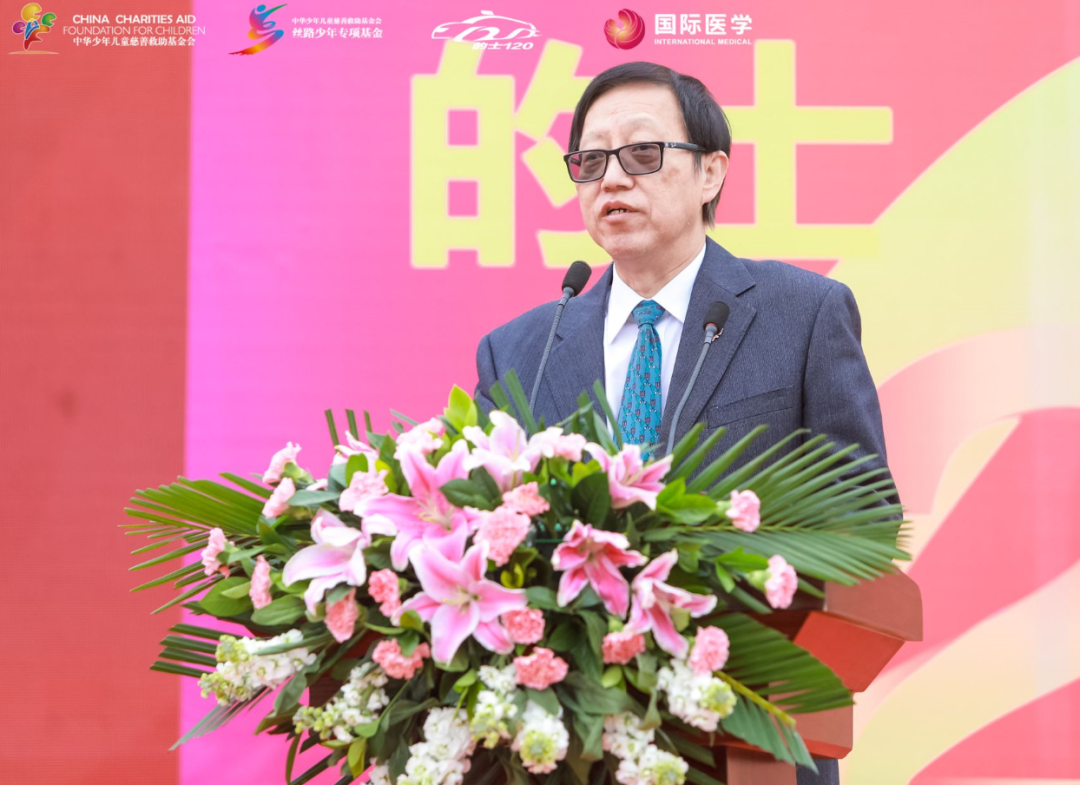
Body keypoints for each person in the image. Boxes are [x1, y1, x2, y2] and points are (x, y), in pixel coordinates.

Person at [473, 61, 894, 785]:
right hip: (567, 748)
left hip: (746, 738)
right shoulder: (521, 351)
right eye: (590, 161)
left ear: (710, 173)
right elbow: (481, 535)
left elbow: (865, 520)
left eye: (642, 152)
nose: (612, 179)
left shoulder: (801, 314)